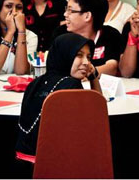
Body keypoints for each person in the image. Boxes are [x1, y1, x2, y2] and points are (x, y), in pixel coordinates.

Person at [15, 33, 101, 178]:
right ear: (65, 55)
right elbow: (98, 117)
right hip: (54, 166)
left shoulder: (35, 82)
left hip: (22, 163)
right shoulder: (71, 85)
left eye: (89, 57)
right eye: (79, 55)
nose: (87, 62)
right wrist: (94, 79)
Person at [54, 0, 121, 77]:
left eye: (70, 10)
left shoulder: (110, 34)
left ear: (87, 16)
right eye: (66, 9)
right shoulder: (61, 34)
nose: (65, 14)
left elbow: (112, 66)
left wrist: (90, 74)